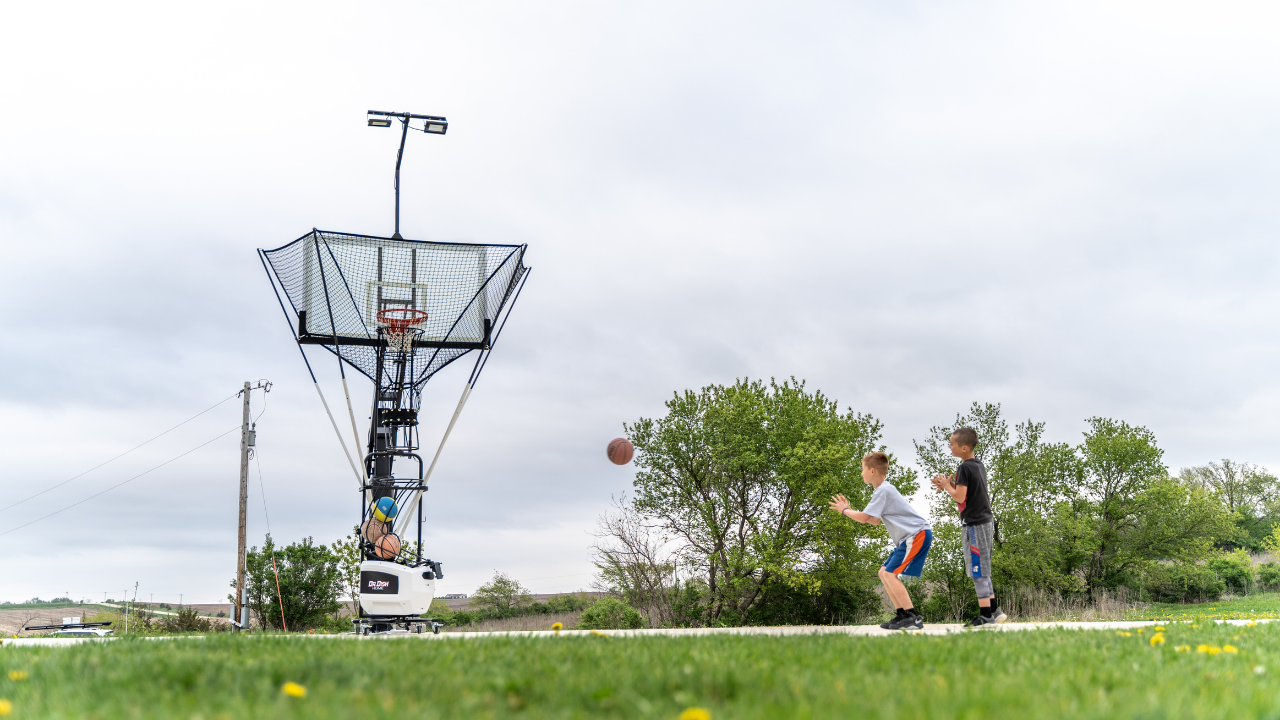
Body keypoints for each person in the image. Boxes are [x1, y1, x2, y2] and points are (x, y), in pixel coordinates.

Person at [829, 451, 933, 631]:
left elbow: (864, 518)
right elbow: (873, 520)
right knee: (884, 572)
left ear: (872, 471)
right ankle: (902, 615)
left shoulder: (883, 490)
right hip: (909, 537)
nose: (861, 473)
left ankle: (912, 617)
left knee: (890, 574)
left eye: (862, 469)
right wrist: (852, 510)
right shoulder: (883, 490)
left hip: (916, 535)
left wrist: (845, 510)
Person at [930, 427, 1007, 628]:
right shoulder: (977, 466)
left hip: (974, 524)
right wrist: (947, 484)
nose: (949, 446)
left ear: (964, 447)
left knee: (977, 569)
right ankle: (994, 610)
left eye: (952, 444)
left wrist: (947, 487)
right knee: (983, 566)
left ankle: (985, 617)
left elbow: (960, 496)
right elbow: (966, 492)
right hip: (985, 522)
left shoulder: (964, 468)